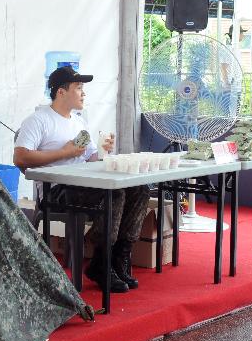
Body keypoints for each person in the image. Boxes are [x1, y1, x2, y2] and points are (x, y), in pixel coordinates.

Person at [13, 66, 150, 293]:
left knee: (139, 189)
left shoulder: (79, 122)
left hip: (82, 185)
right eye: (78, 88)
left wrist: (105, 152)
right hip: (55, 190)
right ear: (61, 92)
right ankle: (101, 261)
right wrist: (64, 153)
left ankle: (117, 257)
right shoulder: (38, 120)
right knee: (113, 193)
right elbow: (20, 158)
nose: (84, 93)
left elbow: (92, 160)